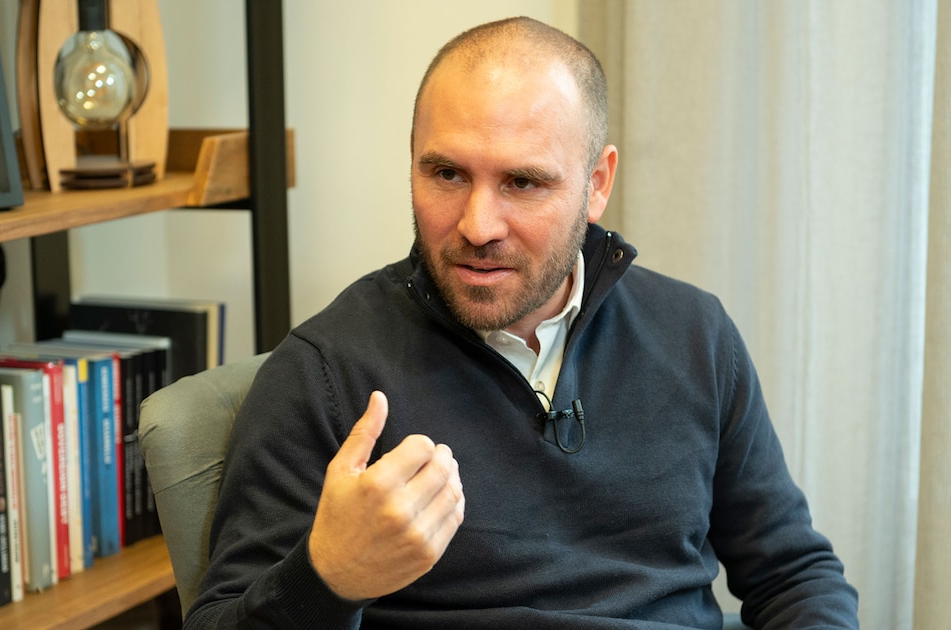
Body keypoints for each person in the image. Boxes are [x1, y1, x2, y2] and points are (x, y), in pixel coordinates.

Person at [186, 16, 859, 630]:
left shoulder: (695, 335)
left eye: (524, 183)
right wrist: (328, 579)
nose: (478, 226)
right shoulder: (326, 373)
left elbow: (795, 575)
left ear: (597, 183)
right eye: (447, 174)